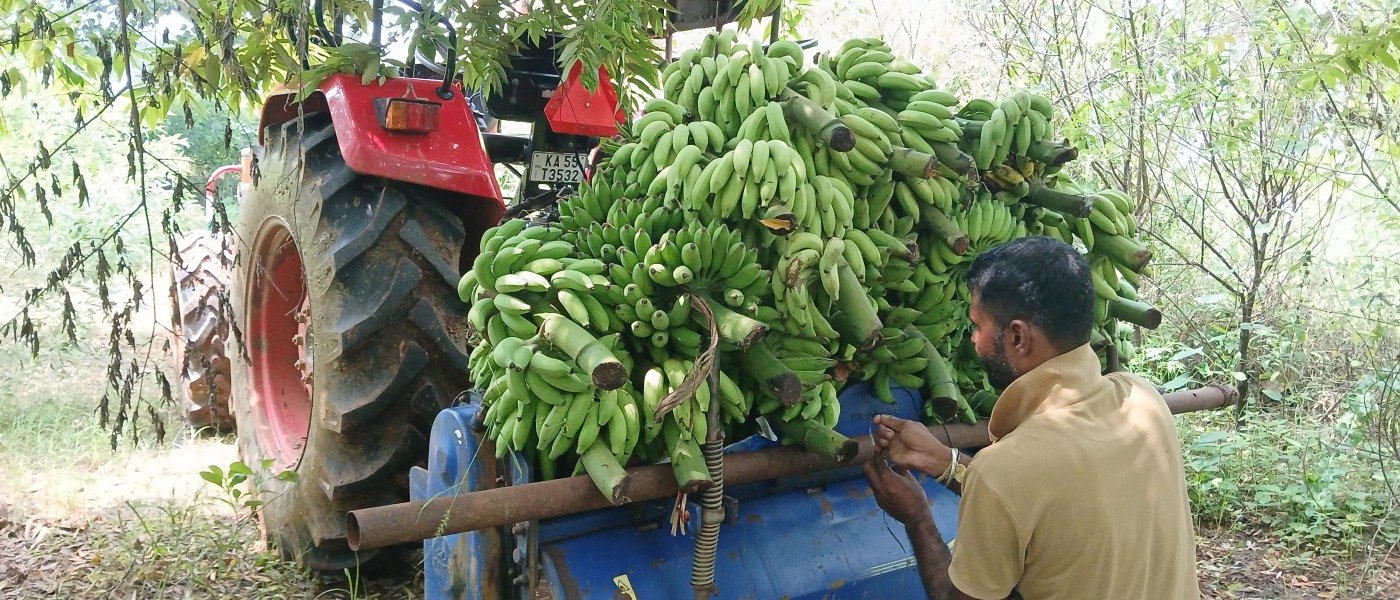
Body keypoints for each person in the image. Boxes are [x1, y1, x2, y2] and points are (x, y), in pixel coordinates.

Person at [864, 236, 1199, 600]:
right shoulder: (1143, 398)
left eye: (978, 326)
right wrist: (945, 462)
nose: (974, 341)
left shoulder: (1006, 471)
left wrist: (917, 517)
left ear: (1019, 337)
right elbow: (1050, 499)